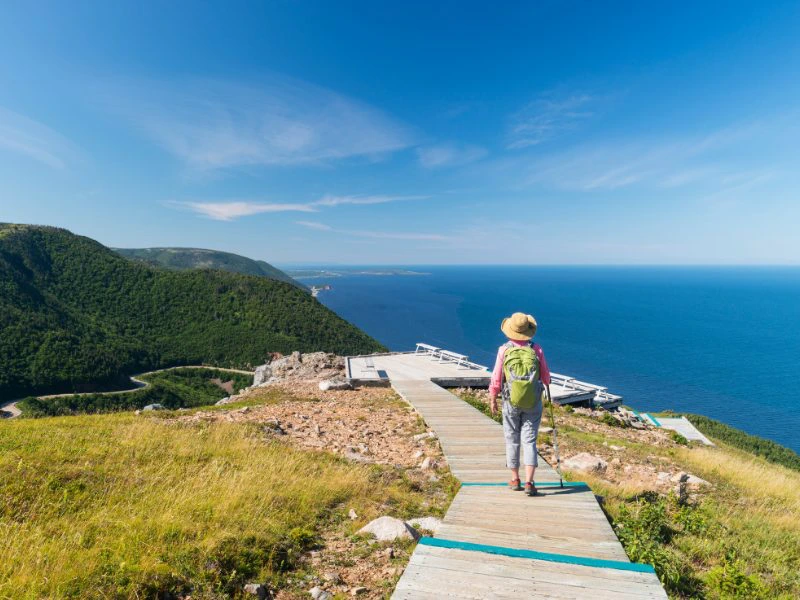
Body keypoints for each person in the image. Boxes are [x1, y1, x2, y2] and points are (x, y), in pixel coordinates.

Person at [488, 312, 551, 496]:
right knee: (529, 441)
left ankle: (515, 479)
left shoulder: (504, 350)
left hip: (510, 401)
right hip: (533, 401)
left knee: (512, 439)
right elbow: (546, 378)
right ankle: (530, 482)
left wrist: (493, 397)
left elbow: (496, 377)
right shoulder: (536, 349)